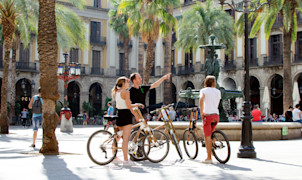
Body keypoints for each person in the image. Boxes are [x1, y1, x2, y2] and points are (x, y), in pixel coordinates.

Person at [112, 76, 144, 165]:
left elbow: (124, 105)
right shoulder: (126, 92)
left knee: (117, 138)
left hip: (119, 115)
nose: (128, 84)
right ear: (123, 84)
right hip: (126, 116)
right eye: (127, 82)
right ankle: (126, 160)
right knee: (125, 139)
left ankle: (114, 156)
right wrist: (136, 113)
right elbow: (129, 106)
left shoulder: (117, 92)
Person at [199, 75, 221, 164]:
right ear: (213, 83)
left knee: (207, 136)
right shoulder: (218, 91)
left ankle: (209, 158)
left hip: (207, 115)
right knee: (211, 133)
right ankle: (212, 145)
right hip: (216, 115)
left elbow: (201, 99)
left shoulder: (204, 90)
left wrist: (201, 112)